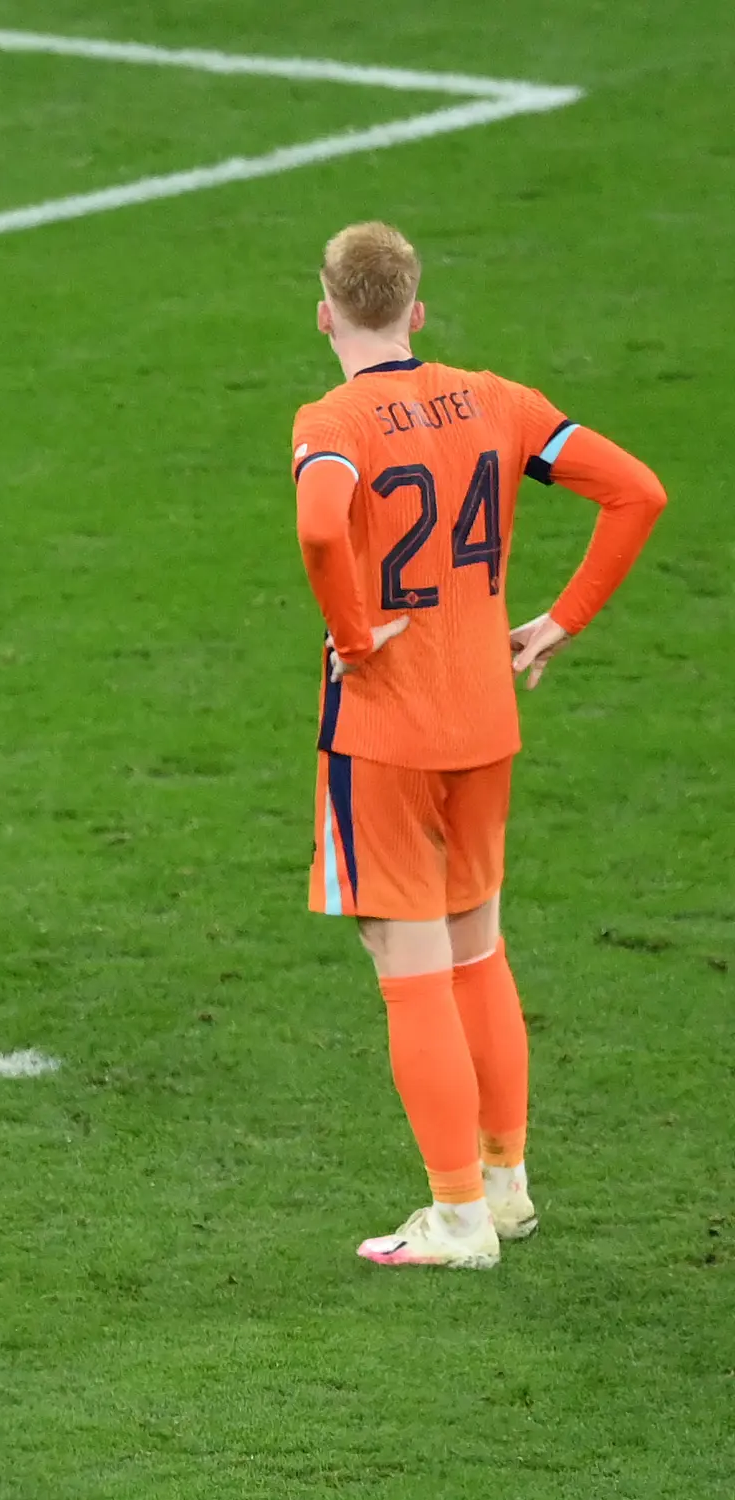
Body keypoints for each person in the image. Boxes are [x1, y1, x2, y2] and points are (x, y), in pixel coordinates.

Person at [288, 221, 666, 1269]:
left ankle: (456, 1219)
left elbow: (324, 529)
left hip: (387, 732)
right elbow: (638, 489)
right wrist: (565, 617)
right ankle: (506, 1189)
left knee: (407, 969)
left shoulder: (334, 417)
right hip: (484, 722)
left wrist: (357, 634)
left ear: (327, 313)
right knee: (477, 950)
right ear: (417, 310)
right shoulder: (497, 401)